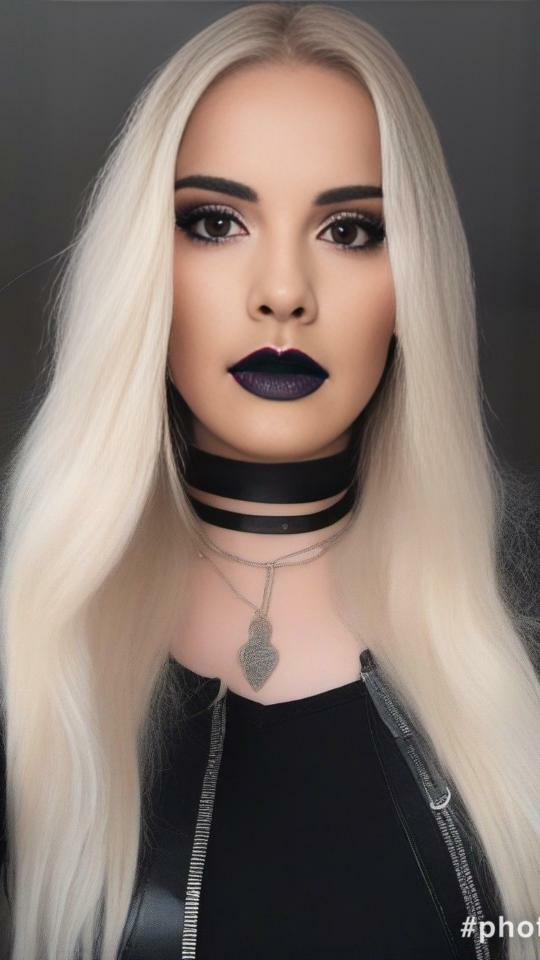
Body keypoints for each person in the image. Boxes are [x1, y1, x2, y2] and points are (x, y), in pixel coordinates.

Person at [0, 3, 539, 959]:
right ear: (140, 264)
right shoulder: (25, 643)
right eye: (216, 222)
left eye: (349, 229)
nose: (283, 292)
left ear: (415, 277)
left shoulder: (516, 623)